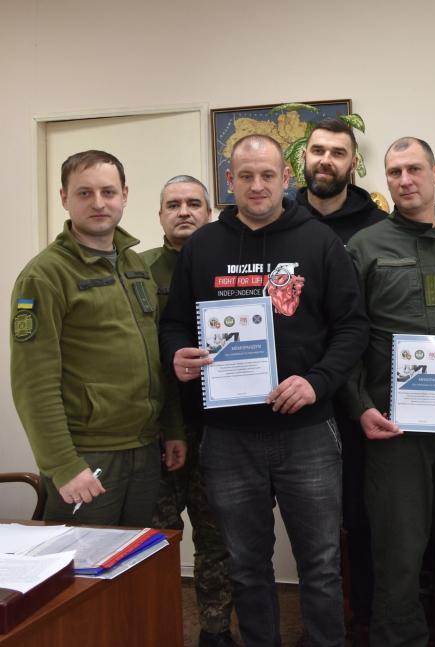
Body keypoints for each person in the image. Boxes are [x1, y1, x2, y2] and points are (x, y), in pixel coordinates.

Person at [159, 135, 369, 646]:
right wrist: (178, 353)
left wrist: (317, 382)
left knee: (321, 564)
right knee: (246, 565)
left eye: (268, 175)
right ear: (230, 180)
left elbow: (352, 328)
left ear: (285, 179)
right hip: (228, 436)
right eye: (246, 176)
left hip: (307, 432)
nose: (257, 186)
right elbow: (174, 323)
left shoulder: (319, 242)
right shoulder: (203, 246)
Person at [346, 136, 435, 647]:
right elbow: (346, 336)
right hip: (394, 426)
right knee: (399, 548)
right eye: (394, 172)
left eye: (413, 169)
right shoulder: (363, 247)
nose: (405, 180)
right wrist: (360, 406)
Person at [10, 149, 182, 525]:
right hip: (88, 456)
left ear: (124, 194)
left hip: (144, 449)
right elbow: (33, 382)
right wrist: (63, 465)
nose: (99, 203)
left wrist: (172, 428)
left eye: (108, 192)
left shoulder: (136, 264)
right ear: (64, 198)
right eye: (84, 193)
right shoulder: (45, 275)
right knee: (85, 560)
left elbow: (155, 356)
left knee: (137, 557)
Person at [297, 117, 386, 644]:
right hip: (300, 397)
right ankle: (321, 625)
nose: (325, 160)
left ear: (353, 164)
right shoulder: (280, 220)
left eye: (337, 152)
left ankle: (366, 618)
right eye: (317, 151)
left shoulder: (376, 226)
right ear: (303, 158)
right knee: (313, 522)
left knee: (362, 514)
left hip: (358, 398)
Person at [142, 175, 235, 647]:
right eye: (173, 204)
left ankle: (215, 631)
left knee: (217, 537)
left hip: (220, 425)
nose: (184, 211)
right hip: (158, 429)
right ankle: (158, 629)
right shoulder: (138, 271)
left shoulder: (230, 264)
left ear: (209, 212)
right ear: (160, 214)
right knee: (157, 537)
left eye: (194, 203)